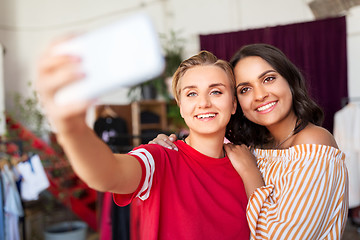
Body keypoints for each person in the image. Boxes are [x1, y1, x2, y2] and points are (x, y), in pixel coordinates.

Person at [36, 48, 251, 239]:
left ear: (233, 104)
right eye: (192, 93)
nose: (204, 103)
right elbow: (107, 174)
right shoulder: (159, 158)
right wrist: (72, 129)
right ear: (181, 106)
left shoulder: (247, 163)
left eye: (216, 91)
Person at [150, 43, 349, 239]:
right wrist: (165, 146)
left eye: (268, 79)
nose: (260, 95)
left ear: (290, 80)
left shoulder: (314, 142)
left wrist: (249, 172)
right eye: (245, 89)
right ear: (235, 102)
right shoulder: (251, 146)